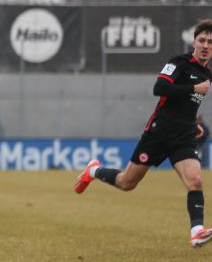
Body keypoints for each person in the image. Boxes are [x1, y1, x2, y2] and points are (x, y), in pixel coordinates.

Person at [74, 19, 212, 248]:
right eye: (202, 40)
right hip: (159, 133)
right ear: (194, 42)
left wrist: (192, 123)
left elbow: (189, 105)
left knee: (195, 180)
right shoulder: (180, 62)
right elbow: (160, 88)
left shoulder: (207, 72)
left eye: (210, 42)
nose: (206, 45)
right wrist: (193, 88)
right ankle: (93, 170)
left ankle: (196, 231)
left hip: (183, 136)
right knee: (127, 182)